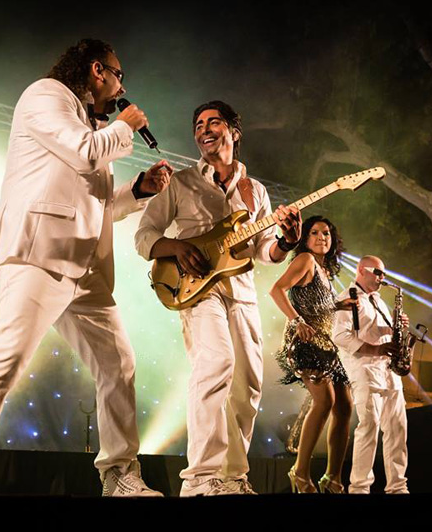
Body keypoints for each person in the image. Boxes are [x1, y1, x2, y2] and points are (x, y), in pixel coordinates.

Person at [0, 39, 172, 496]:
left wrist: (138, 191)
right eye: (119, 76)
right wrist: (125, 126)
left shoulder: (89, 124)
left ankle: (120, 474)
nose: (121, 88)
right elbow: (84, 152)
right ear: (97, 70)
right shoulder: (45, 96)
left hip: (84, 267)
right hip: (40, 253)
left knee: (118, 364)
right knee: (8, 356)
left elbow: (95, 206)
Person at [134, 100, 301, 496]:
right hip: (196, 289)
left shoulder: (255, 190)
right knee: (216, 363)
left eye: (213, 122)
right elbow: (144, 235)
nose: (204, 129)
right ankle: (200, 478)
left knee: (247, 387)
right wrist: (176, 247)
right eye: (198, 124)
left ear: (234, 132)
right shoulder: (181, 182)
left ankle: (232, 478)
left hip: (241, 293)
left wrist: (287, 242)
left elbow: (265, 251)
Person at [269, 216, 354, 493]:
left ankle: (332, 477)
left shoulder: (324, 270)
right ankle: (300, 472)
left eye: (326, 233)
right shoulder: (305, 259)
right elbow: (276, 290)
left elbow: (318, 305)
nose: (322, 237)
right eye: (315, 232)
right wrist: (297, 321)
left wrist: (339, 305)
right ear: (305, 238)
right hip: (305, 341)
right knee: (325, 401)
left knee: (345, 406)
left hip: (327, 345)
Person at [332, 255, 410, 494]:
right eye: (377, 272)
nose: (382, 277)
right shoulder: (347, 298)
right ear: (361, 270)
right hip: (364, 369)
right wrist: (375, 349)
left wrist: (396, 327)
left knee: (397, 427)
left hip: (388, 370)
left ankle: (398, 486)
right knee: (369, 425)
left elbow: (376, 331)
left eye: (383, 273)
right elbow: (339, 336)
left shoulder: (378, 300)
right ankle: (359, 488)